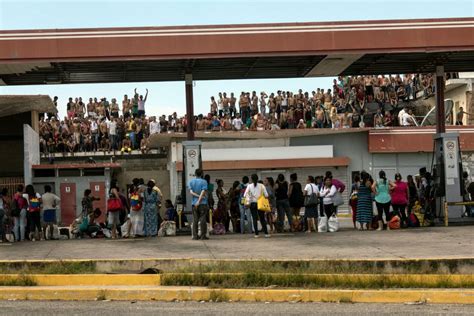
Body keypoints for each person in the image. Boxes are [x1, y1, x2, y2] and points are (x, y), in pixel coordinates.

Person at [244, 174, 270, 238]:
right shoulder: (262, 185)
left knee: (254, 219)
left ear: (251, 179)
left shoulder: (249, 186)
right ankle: (266, 233)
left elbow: (245, 195)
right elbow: (266, 195)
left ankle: (256, 234)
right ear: (257, 179)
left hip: (252, 204)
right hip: (260, 204)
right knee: (262, 219)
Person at [189, 168, 209, 240]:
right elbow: (203, 192)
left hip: (194, 203)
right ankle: (203, 236)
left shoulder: (191, 182)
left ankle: (195, 236)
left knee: (195, 219)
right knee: (203, 219)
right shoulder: (204, 182)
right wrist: (199, 200)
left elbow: (191, 192)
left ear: (195, 174)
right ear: (202, 174)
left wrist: (196, 200)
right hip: (202, 203)